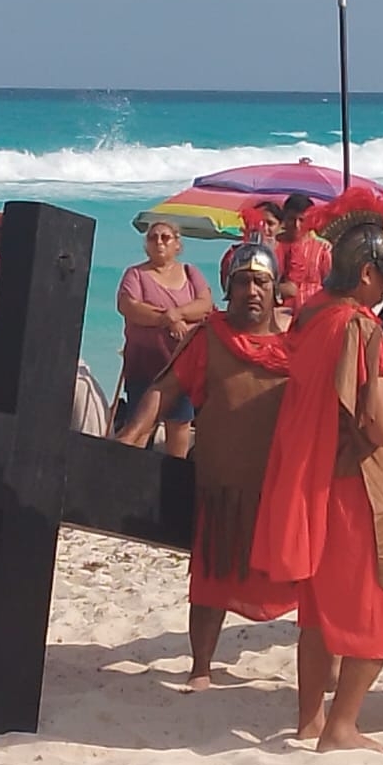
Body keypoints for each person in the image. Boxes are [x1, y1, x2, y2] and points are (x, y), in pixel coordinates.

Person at [252, 187, 383, 754]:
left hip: (313, 476)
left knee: (319, 612)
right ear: (370, 275)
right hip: (356, 482)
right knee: (381, 610)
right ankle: (342, 726)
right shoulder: (361, 328)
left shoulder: (311, 315)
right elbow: (378, 427)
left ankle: (309, 719)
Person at [115, 236, 296, 690]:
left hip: (283, 486)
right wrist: (132, 436)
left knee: (306, 576)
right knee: (213, 575)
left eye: (260, 282)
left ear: (276, 291)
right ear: (227, 289)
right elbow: (164, 390)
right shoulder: (209, 338)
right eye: (241, 282)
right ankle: (201, 667)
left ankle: (323, 668)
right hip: (224, 482)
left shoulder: (299, 344)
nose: (251, 291)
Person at [115, 220, 212, 456]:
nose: (159, 242)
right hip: (144, 364)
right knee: (139, 430)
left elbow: (205, 305)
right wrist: (167, 319)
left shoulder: (190, 272)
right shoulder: (136, 274)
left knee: (179, 428)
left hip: (181, 367)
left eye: (165, 237)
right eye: (153, 237)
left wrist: (176, 313)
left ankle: (172, 488)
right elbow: (129, 307)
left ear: (177, 244)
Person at [274, 194, 332, 313]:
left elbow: (331, 288)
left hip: (313, 317)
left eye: (302, 220)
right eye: (291, 219)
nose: (297, 225)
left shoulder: (322, 250)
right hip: (277, 317)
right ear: (284, 218)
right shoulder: (273, 246)